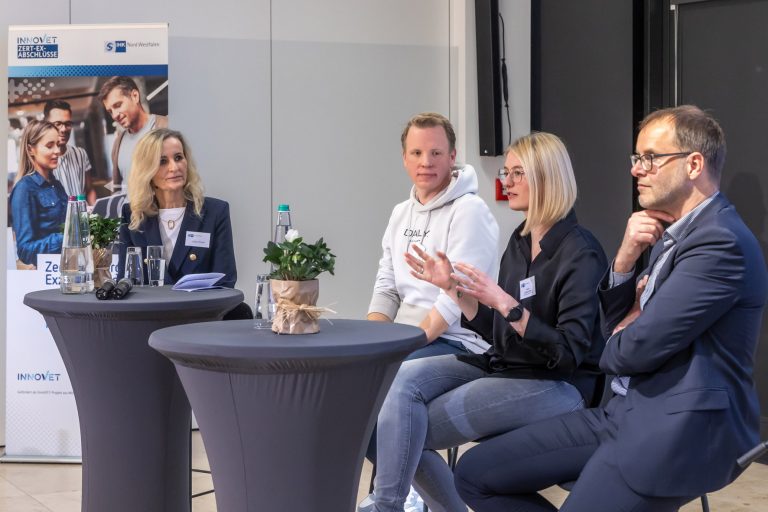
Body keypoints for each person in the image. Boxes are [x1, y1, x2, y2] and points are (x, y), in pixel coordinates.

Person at [454, 106, 768, 512]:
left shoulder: (719, 244)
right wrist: (623, 260)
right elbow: (620, 334)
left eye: (650, 158)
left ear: (693, 164)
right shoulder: (670, 234)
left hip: (674, 428)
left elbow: (623, 353)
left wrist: (627, 326)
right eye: (636, 158)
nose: (638, 169)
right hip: (620, 412)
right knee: (474, 474)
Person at [371, 132, 607, 512]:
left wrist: (507, 305)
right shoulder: (520, 239)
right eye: (506, 172)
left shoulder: (581, 251)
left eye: (517, 174)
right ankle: (393, 506)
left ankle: (389, 506)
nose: (506, 182)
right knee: (398, 389)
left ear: (546, 178)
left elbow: (569, 353)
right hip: (504, 365)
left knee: (405, 431)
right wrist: (453, 289)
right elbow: (497, 332)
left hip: (558, 383)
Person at [361, 112, 499, 511]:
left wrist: (402, 347)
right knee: (357, 397)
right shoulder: (399, 214)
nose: (426, 161)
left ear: (452, 156)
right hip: (409, 341)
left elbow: (453, 301)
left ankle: (388, 502)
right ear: (404, 158)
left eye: (436, 152)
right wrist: (375, 341)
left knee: (397, 380)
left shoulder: (469, 211)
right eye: (417, 152)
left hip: (461, 343)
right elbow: (386, 285)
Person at [116, 128, 236, 288]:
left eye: (179, 157)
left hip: (200, 311)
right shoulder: (132, 214)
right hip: (148, 311)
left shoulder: (216, 212)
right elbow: (125, 282)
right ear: (147, 170)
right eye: (162, 161)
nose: (174, 167)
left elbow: (225, 282)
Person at [10, 120, 68, 268]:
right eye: (50, 146)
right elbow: (25, 250)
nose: (57, 151)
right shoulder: (24, 189)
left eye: (58, 145)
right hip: (45, 274)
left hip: (65, 267)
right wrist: (68, 237)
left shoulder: (56, 184)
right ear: (31, 150)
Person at [99, 76, 168, 192]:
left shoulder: (166, 127)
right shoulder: (118, 144)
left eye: (117, 105)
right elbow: (118, 188)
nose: (114, 115)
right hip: (128, 210)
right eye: (110, 111)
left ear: (135, 96)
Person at [44, 99, 96, 204]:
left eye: (67, 124)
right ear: (46, 124)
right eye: (57, 123)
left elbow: (89, 190)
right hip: (60, 220)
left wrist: (93, 214)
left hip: (84, 218)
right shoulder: (42, 161)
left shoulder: (81, 153)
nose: (63, 129)